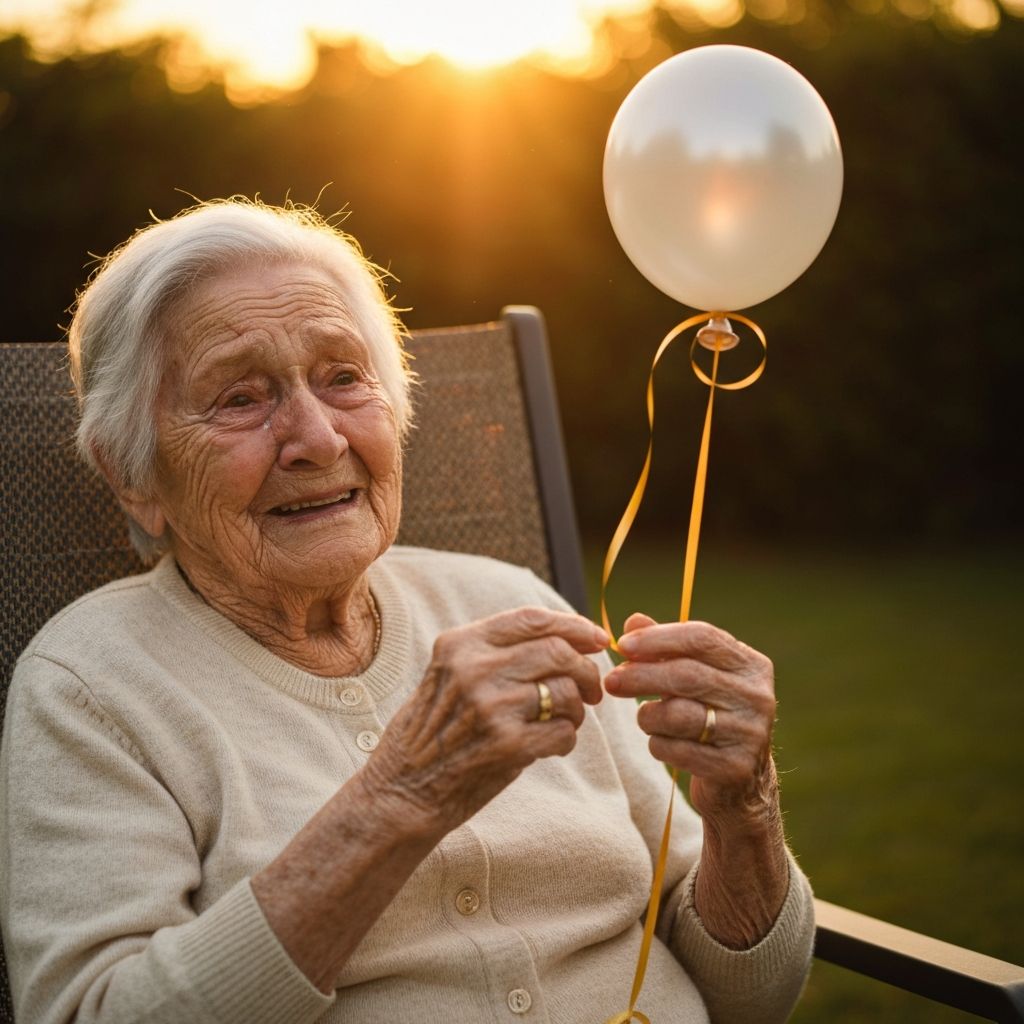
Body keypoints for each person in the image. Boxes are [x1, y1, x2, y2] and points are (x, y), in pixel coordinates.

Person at [0, 199, 814, 1024]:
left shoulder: (510, 603)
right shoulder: (92, 686)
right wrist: (400, 798)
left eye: (344, 378)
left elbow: (751, 998)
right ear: (130, 473)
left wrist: (745, 812)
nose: (317, 438)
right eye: (241, 398)